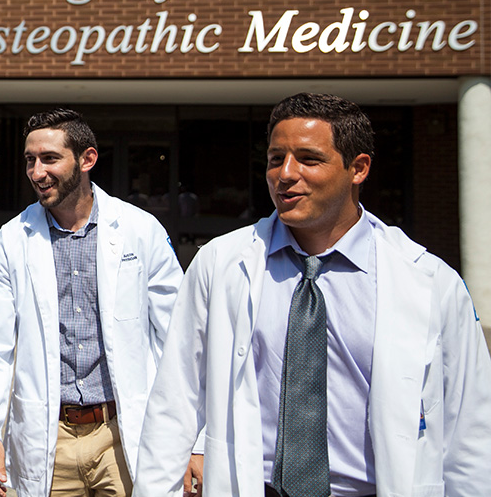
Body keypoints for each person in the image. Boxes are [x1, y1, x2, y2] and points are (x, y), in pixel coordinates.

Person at [134, 93, 491, 497]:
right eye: (275, 159)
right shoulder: (220, 263)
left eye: (308, 158)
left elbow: (471, 428)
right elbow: (174, 400)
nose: (285, 174)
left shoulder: (430, 281)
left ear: (358, 169)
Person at [0, 108, 186, 497]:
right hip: (49, 434)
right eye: (30, 160)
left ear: (87, 159)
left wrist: (195, 437)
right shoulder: (11, 240)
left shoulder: (139, 230)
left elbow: (180, 338)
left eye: (50, 159)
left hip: (121, 432)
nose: (37, 172)